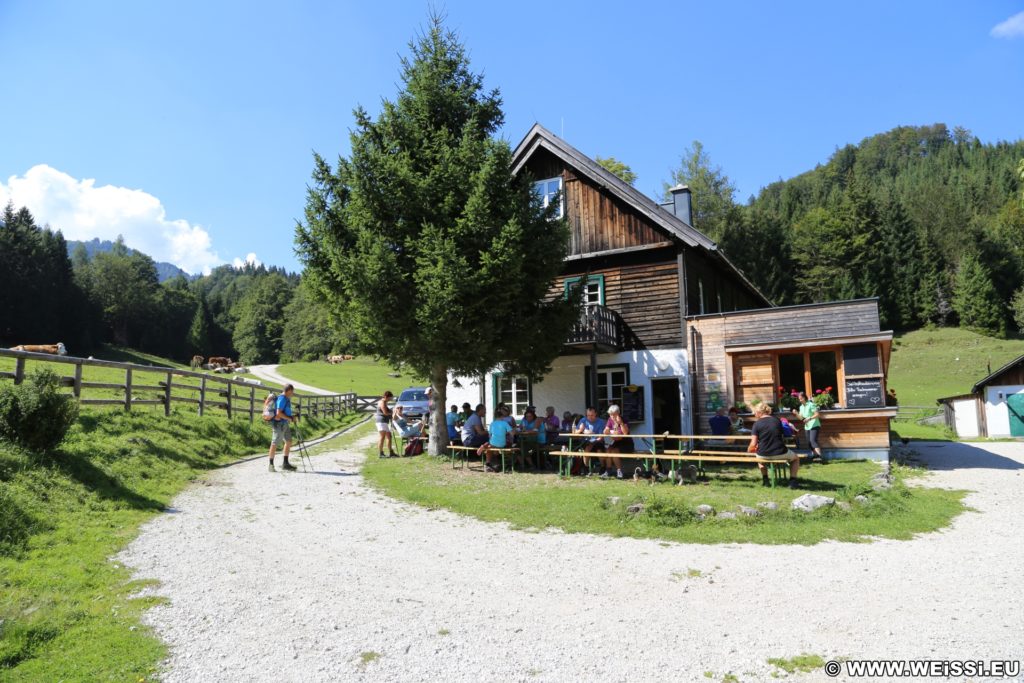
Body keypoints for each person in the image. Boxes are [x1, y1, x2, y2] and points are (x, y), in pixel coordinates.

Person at [749, 402, 800, 488]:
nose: (754, 415)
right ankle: (792, 481)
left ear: (759, 412)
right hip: (780, 453)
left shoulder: (756, 424)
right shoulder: (777, 420)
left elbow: (753, 444)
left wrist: (749, 450)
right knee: (796, 459)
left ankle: (765, 480)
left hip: (763, 455)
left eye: (755, 412)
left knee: (759, 459)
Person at [268, 384, 298, 472]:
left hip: (284, 423)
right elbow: (278, 413)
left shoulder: (286, 399)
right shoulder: (282, 398)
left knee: (288, 441)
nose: (293, 393)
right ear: (288, 391)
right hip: (279, 424)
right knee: (275, 443)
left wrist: (291, 417)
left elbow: (284, 412)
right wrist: (289, 418)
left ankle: (285, 464)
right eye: (292, 392)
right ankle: (271, 465)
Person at [478, 408, 515, 472]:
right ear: (502, 416)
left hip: (493, 443)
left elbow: (490, 435)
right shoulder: (505, 423)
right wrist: (513, 431)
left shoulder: (492, 423)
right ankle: (500, 465)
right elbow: (512, 434)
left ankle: (488, 464)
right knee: (494, 448)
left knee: (489, 447)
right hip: (502, 444)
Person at [602, 404, 632, 479]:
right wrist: (606, 431)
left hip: (626, 444)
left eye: (614, 415)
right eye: (611, 415)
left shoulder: (624, 420)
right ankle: (608, 470)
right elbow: (606, 430)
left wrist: (621, 423)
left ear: (618, 413)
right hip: (614, 443)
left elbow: (625, 433)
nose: (612, 417)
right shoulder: (610, 420)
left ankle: (619, 471)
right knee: (608, 450)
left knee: (614, 451)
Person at [574, 407, 606, 475]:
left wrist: (594, 439)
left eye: (592, 415)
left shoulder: (601, 422)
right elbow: (575, 432)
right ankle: (586, 468)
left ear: (595, 414)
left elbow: (601, 436)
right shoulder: (583, 420)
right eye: (588, 415)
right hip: (586, 442)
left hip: (598, 441)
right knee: (587, 447)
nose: (590, 417)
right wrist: (581, 430)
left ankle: (603, 467)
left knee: (599, 449)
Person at [793, 391, 823, 461]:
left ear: (804, 398)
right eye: (799, 399)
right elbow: (801, 418)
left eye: (800, 399)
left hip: (814, 424)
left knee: (813, 440)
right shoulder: (801, 407)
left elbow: (817, 414)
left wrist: (810, 418)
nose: (799, 400)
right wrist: (796, 413)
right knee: (809, 442)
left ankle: (819, 457)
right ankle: (815, 456)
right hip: (807, 426)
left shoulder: (811, 404)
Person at [375, 390, 398, 458]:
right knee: (382, 437)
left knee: (389, 436)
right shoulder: (382, 402)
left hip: (384, 421)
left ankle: (391, 452)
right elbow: (385, 412)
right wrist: (392, 413)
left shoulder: (385, 402)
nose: (390, 399)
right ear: (386, 397)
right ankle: (381, 453)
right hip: (381, 421)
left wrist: (392, 411)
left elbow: (387, 411)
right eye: (390, 398)